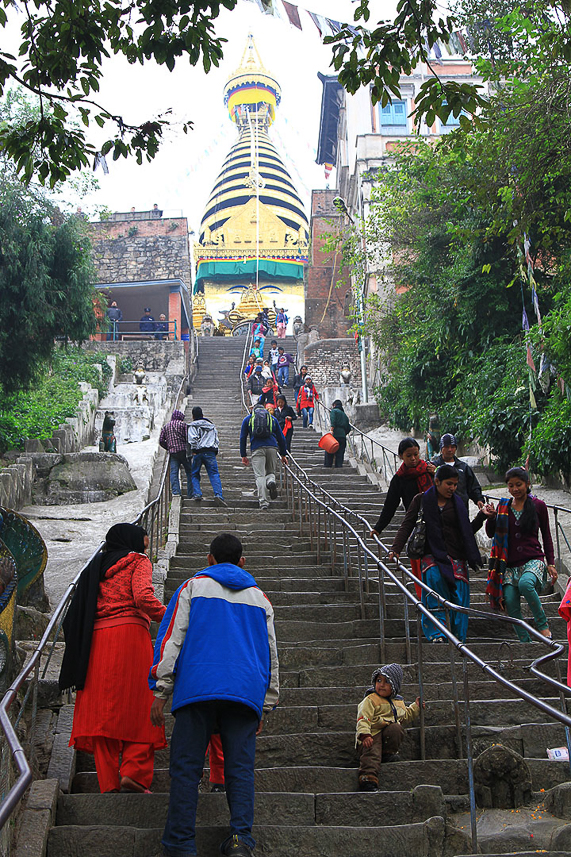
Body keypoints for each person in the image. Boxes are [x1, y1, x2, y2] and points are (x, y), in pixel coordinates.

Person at [150, 533, 279, 857]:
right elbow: (271, 653)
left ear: (209, 559)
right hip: (244, 690)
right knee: (240, 769)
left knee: (186, 767)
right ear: (242, 562)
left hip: (198, 687)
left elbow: (171, 639)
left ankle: (180, 843)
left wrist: (161, 689)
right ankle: (240, 840)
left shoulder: (193, 587)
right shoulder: (259, 598)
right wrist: (266, 702)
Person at [59, 524, 166, 793]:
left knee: (102, 710)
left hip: (95, 642)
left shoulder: (96, 565)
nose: (146, 548)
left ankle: (108, 782)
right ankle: (134, 772)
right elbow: (142, 597)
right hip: (129, 636)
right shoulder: (138, 560)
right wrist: (172, 615)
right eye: (145, 542)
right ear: (134, 542)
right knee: (140, 703)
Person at [389, 464, 491, 642]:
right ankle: (437, 634)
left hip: (457, 555)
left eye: (455, 484)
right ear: (437, 481)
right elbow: (407, 524)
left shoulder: (458, 503)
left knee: (459, 596)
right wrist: (395, 549)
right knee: (435, 582)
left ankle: (458, 638)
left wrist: (482, 516)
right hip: (432, 553)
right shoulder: (421, 500)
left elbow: (467, 531)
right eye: (448, 484)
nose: (452, 488)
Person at [486, 467, 557, 642]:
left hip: (533, 560)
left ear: (527, 484)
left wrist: (551, 563)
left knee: (526, 584)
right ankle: (525, 641)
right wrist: (492, 517)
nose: (515, 489)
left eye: (518, 485)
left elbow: (546, 535)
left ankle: (543, 626)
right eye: (511, 486)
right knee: (509, 600)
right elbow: (490, 533)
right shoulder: (504, 507)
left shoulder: (538, 506)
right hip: (509, 565)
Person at [356, 664, 421, 791]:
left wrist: (416, 707)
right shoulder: (370, 700)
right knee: (372, 752)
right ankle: (367, 779)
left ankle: (388, 753)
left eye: (386, 682)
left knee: (396, 728)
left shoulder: (398, 702)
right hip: (370, 736)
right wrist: (364, 734)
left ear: (394, 686)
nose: (381, 684)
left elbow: (404, 716)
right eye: (379, 680)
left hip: (386, 738)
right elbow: (363, 718)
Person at [370, 438, 436, 539]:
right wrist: (378, 528)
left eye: (416, 454)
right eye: (409, 456)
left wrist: (437, 474)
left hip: (437, 520)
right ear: (401, 456)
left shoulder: (430, 470)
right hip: (415, 524)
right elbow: (390, 505)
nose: (413, 458)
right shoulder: (399, 478)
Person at [240, 404, 287, 510]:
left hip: (257, 448)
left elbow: (243, 438)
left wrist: (243, 455)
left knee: (260, 476)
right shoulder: (272, 418)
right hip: (272, 447)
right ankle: (271, 481)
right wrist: (283, 454)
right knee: (271, 472)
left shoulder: (248, 419)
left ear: (254, 410)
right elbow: (281, 438)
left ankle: (264, 502)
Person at [431, 433, 485, 510]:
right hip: (441, 511)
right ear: (441, 448)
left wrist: (479, 499)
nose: (450, 450)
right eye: (446, 447)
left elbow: (473, 486)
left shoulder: (464, 467)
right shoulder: (433, 467)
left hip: (461, 509)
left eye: (452, 447)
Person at [187, 406, 226, 506]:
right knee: (214, 474)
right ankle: (218, 495)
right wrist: (214, 450)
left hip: (198, 453)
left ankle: (197, 493)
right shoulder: (211, 426)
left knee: (195, 474)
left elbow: (192, 439)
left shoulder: (193, 426)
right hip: (210, 452)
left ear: (193, 416)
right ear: (202, 415)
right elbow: (216, 440)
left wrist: (194, 450)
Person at [159, 410, 193, 498]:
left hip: (173, 453)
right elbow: (188, 438)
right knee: (189, 472)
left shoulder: (166, 426)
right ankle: (191, 493)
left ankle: (176, 492)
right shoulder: (183, 425)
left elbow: (161, 440)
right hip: (184, 452)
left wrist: (169, 447)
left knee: (174, 473)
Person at [324, 400, 351, 468]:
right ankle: (338, 467)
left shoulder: (334, 411)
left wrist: (331, 430)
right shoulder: (345, 415)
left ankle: (328, 466)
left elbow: (333, 421)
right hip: (342, 436)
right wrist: (343, 433)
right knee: (340, 453)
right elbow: (349, 428)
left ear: (334, 405)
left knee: (329, 451)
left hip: (335, 435)